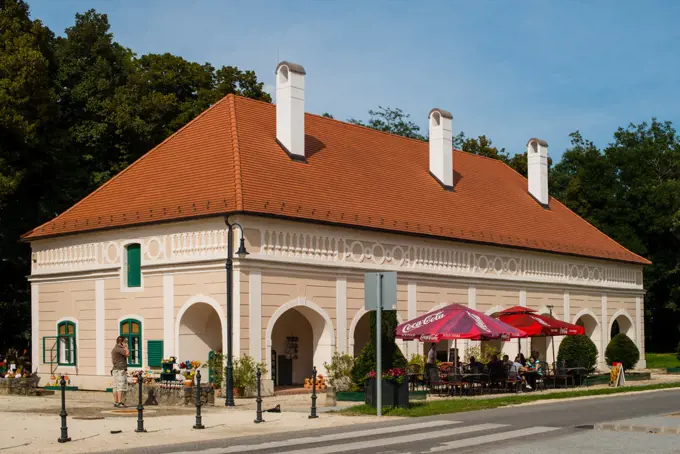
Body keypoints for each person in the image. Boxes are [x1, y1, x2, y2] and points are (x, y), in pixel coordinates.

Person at [111, 336, 129, 408]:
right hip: (120, 369)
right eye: (125, 342)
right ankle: (120, 402)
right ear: (121, 342)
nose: (125, 343)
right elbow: (127, 354)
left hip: (115, 369)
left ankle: (115, 402)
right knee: (120, 386)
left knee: (115, 386)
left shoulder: (114, 349)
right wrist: (126, 347)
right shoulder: (119, 349)